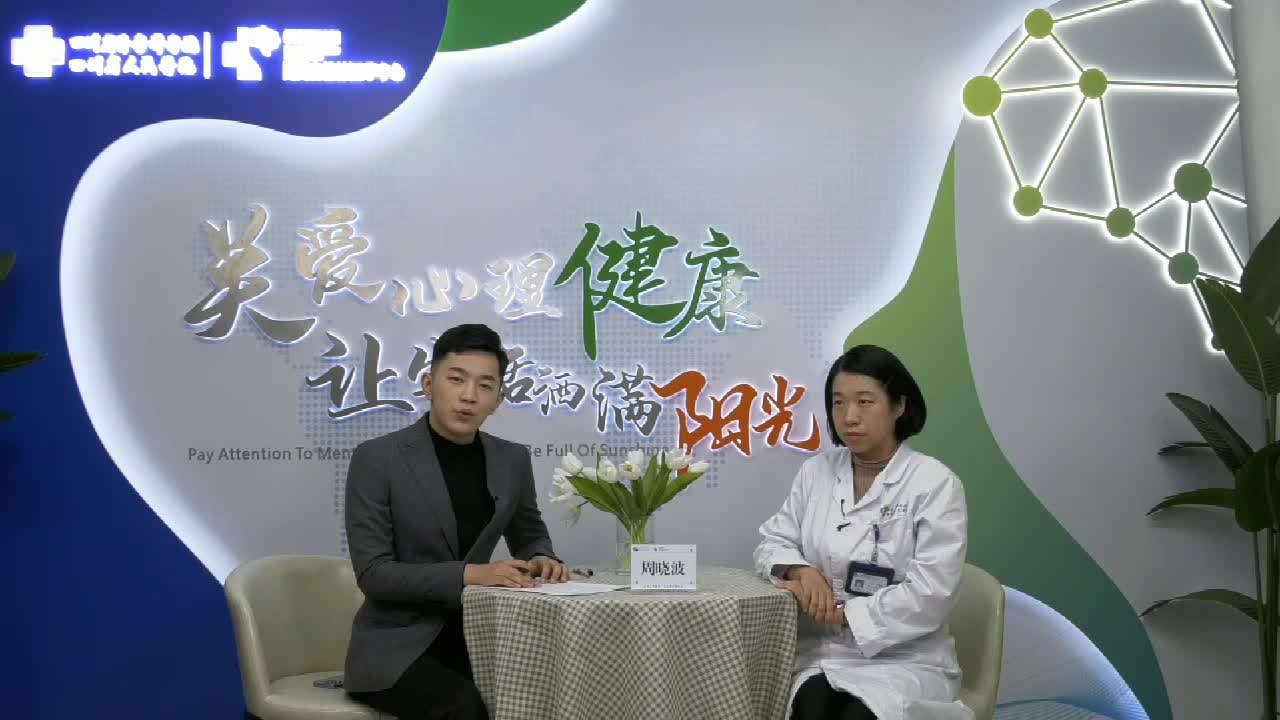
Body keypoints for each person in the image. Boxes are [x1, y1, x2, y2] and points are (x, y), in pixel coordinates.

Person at [343, 323, 569, 720]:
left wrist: (541, 557)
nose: (469, 396)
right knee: (461, 706)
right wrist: (472, 574)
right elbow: (374, 574)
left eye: (485, 385)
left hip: (484, 635)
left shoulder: (512, 459)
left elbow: (529, 532)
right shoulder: (377, 458)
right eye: (457, 379)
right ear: (429, 384)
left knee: (551, 693)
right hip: (396, 646)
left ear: (498, 400)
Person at [754, 345, 971, 720]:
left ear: (899, 406)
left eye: (865, 402)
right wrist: (800, 571)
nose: (849, 417)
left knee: (859, 715)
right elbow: (773, 541)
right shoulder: (816, 472)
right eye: (838, 403)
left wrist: (843, 615)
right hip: (824, 653)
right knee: (810, 708)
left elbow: (932, 593)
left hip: (905, 658)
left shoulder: (934, 483)